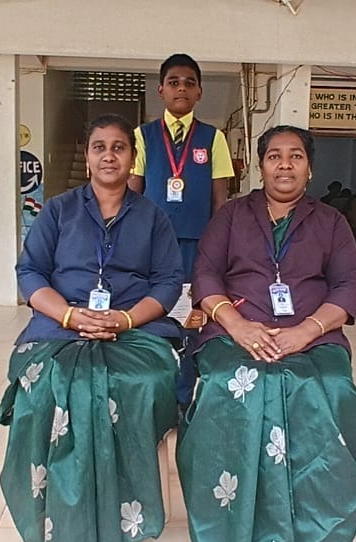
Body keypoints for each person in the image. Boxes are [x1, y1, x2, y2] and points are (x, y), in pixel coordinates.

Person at [178, 125, 356, 542]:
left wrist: (305, 331)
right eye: (274, 156)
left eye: (295, 156)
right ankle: (231, 535)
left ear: (310, 168)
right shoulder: (231, 216)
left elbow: (348, 286)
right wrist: (238, 326)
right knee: (235, 385)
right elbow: (205, 274)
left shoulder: (331, 222)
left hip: (315, 337)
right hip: (234, 333)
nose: (284, 165)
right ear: (260, 165)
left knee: (328, 391)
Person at [0, 114, 185, 542]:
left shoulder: (153, 217)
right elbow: (30, 272)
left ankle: (129, 505)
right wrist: (67, 314)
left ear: (132, 158)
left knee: (142, 381)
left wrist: (124, 319)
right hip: (60, 324)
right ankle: (55, 505)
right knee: (46, 384)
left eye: (119, 147)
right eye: (99, 147)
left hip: (134, 327)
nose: (109, 156)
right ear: (87, 157)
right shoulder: (58, 210)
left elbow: (167, 282)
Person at [129, 53, 236, 412]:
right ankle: (153, 398)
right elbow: (132, 194)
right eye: (173, 82)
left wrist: (217, 250)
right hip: (151, 247)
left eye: (190, 83)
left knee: (191, 321)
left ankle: (183, 399)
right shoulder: (142, 136)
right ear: (160, 90)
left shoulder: (213, 138)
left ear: (199, 92)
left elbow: (220, 200)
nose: (181, 88)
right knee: (150, 315)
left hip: (196, 246)